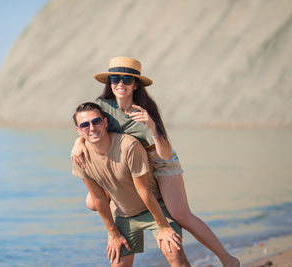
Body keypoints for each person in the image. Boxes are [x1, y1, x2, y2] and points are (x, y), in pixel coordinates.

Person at [71, 57, 240, 267]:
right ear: (109, 82)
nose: (120, 84)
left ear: (136, 84)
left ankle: (228, 259)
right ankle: (128, 211)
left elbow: (165, 153)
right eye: (115, 78)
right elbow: (91, 126)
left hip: (159, 162)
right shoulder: (104, 107)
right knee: (91, 202)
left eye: (126, 79)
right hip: (132, 165)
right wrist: (78, 142)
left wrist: (151, 126)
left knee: (181, 214)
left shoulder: (145, 109)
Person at [72, 102, 190, 267]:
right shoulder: (80, 157)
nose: (92, 128)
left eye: (96, 121)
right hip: (123, 216)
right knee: (118, 263)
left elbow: (144, 191)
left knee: (175, 255)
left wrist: (163, 226)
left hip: (154, 209)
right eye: (84, 125)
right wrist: (113, 233)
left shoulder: (128, 146)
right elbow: (98, 198)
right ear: (79, 131)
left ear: (105, 122)